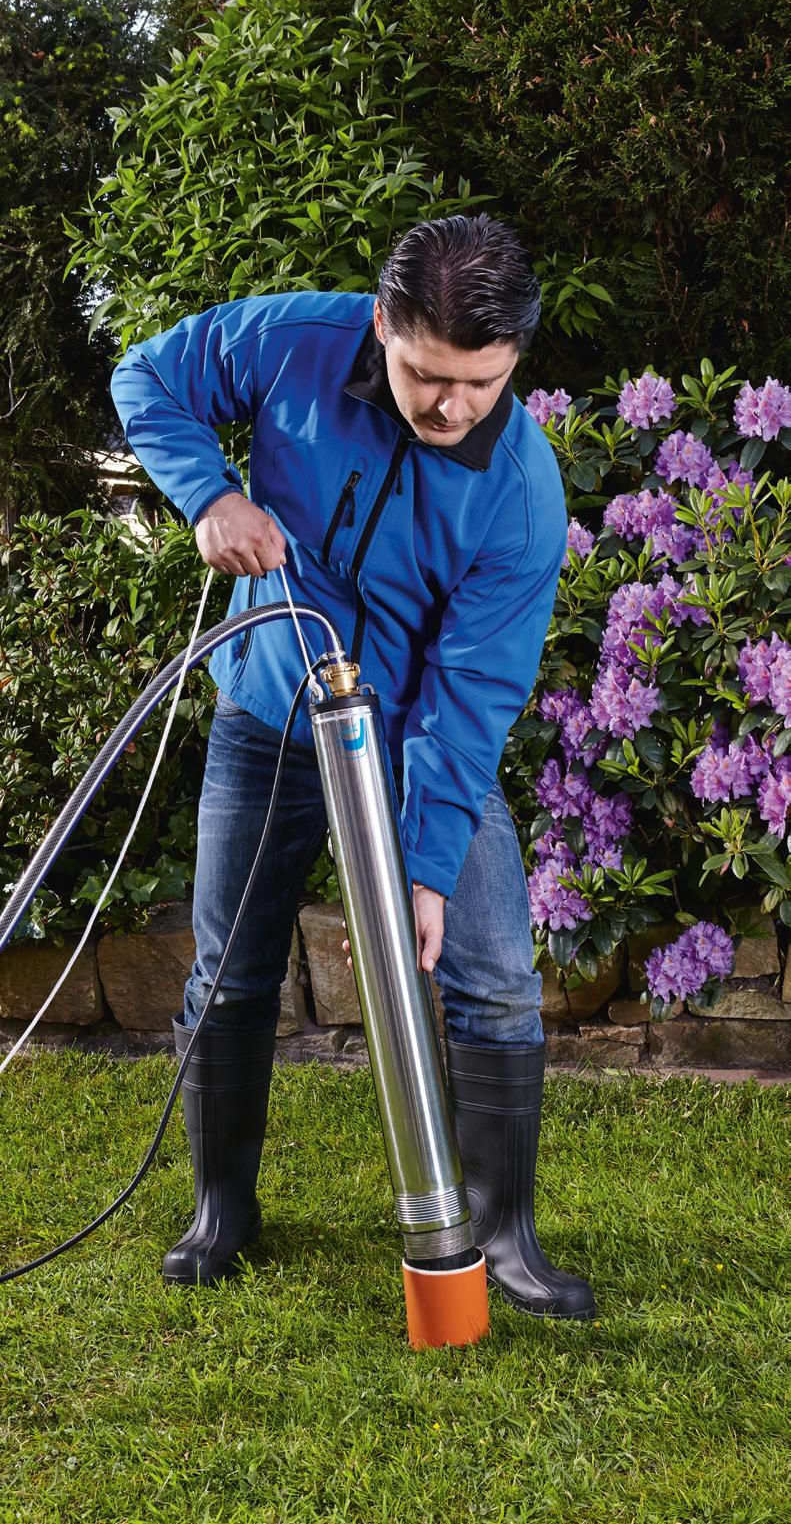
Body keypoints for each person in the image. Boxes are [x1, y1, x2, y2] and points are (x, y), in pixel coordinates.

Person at [111, 213, 594, 1319]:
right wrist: (211, 495)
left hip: (418, 738)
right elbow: (148, 377)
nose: (450, 407)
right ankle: (221, 1212)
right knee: (227, 967)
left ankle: (503, 1237)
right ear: (382, 325)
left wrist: (423, 866)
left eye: (480, 383)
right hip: (271, 709)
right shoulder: (296, 342)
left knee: (493, 974)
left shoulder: (520, 494)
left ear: (515, 357)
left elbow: (474, 694)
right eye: (427, 375)